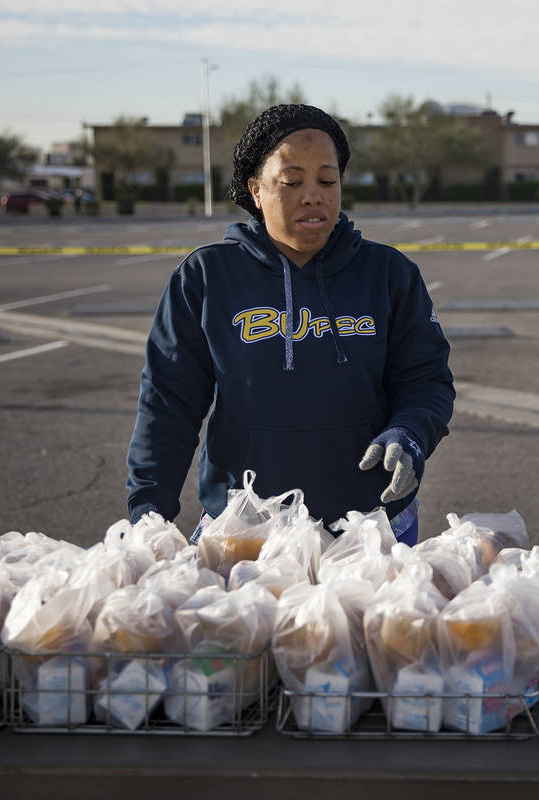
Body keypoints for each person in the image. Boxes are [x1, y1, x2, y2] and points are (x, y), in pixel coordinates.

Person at [126, 104, 454, 546]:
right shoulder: (206, 277)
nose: (312, 195)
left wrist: (411, 432)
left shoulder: (389, 274)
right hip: (245, 535)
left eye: (327, 180)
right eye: (291, 182)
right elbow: (167, 406)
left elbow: (427, 379)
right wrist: (150, 518)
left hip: (371, 532)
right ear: (256, 190)